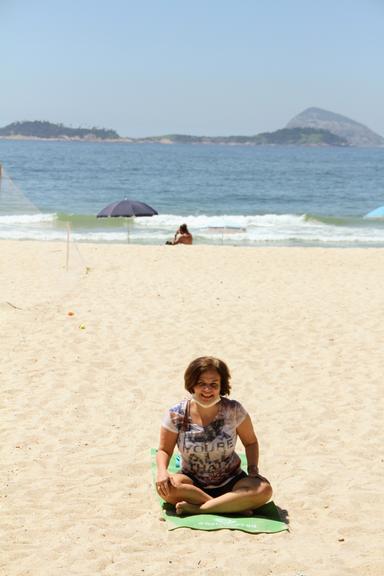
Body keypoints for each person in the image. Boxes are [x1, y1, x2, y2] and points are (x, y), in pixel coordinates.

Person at [156, 356, 272, 515]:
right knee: (167, 489)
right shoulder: (177, 413)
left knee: (264, 490)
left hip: (232, 481)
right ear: (192, 384)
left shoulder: (234, 410)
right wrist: (162, 472)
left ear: (221, 386)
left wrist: (253, 469)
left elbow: (251, 442)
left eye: (213, 384)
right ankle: (228, 506)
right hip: (192, 484)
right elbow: (164, 450)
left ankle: (201, 509)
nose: (207, 390)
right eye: (201, 383)